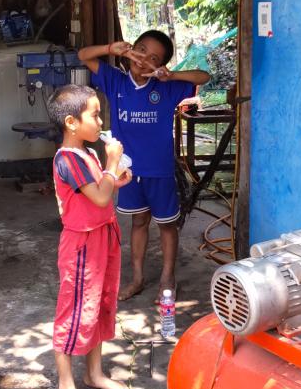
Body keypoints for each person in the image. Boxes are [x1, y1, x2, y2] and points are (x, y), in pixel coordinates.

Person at [79, 30, 211, 301]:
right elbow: (83, 56)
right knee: (138, 221)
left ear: (161, 64)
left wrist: (171, 75)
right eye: (140, 50)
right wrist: (110, 47)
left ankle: (168, 279)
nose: (143, 59)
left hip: (160, 170)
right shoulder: (115, 81)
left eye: (153, 58)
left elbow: (204, 77)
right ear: (131, 50)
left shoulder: (166, 87)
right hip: (128, 172)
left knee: (167, 225)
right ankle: (137, 278)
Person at [46, 84, 133, 389]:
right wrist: (112, 163)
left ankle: (94, 373)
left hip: (104, 236)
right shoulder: (68, 159)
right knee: (75, 309)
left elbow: (101, 189)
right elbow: (99, 197)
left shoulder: (88, 154)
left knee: (99, 304)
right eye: (94, 116)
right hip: (81, 244)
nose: (100, 122)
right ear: (71, 122)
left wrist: (115, 176)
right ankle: (65, 384)